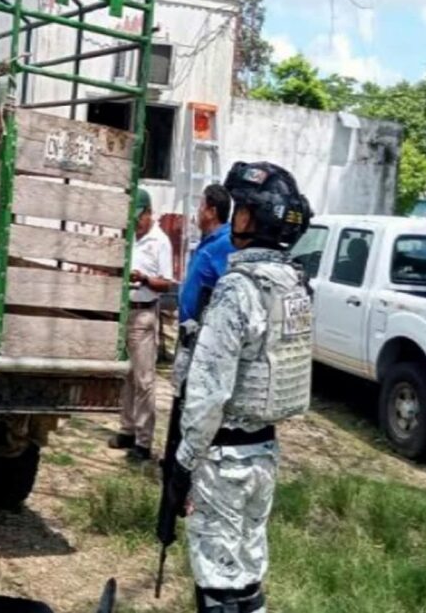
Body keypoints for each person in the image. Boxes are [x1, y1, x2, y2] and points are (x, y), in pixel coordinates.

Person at [162, 162, 313, 613]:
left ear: (255, 219)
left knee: (218, 582)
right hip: (263, 452)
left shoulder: (237, 289)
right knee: (246, 572)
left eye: (242, 210)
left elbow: (209, 391)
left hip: (222, 460)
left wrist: (183, 463)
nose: (235, 218)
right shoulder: (294, 285)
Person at [109, 188, 174, 461]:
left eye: (139, 217)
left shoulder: (160, 241)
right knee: (127, 376)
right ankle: (127, 429)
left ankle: (144, 441)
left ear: (149, 213)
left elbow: (166, 283)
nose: (136, 223)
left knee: (144, 380)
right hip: (125, 311)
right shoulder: (129, 237)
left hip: (144, 313)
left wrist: (144, 278)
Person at [171, 184, 235, 391]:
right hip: (189, 335)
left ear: (212, 212)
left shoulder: (225, 243)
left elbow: (228, 289)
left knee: (193, 394)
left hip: (204, 342)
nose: (197, 212)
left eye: (200, 206)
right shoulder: (208, 241)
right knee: (181, 392)